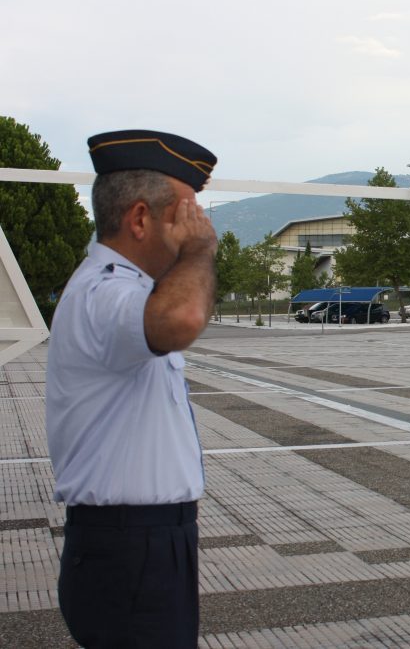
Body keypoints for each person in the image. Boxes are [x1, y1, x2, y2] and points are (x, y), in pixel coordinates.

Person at [46, 129, 218, 648]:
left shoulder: (126, 291)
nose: (199, 227)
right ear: (140, 218)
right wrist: (201, 251)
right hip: (128, 546)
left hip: (142, 541)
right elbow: (183, 318)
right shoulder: (106, 292)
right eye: (186, 215)